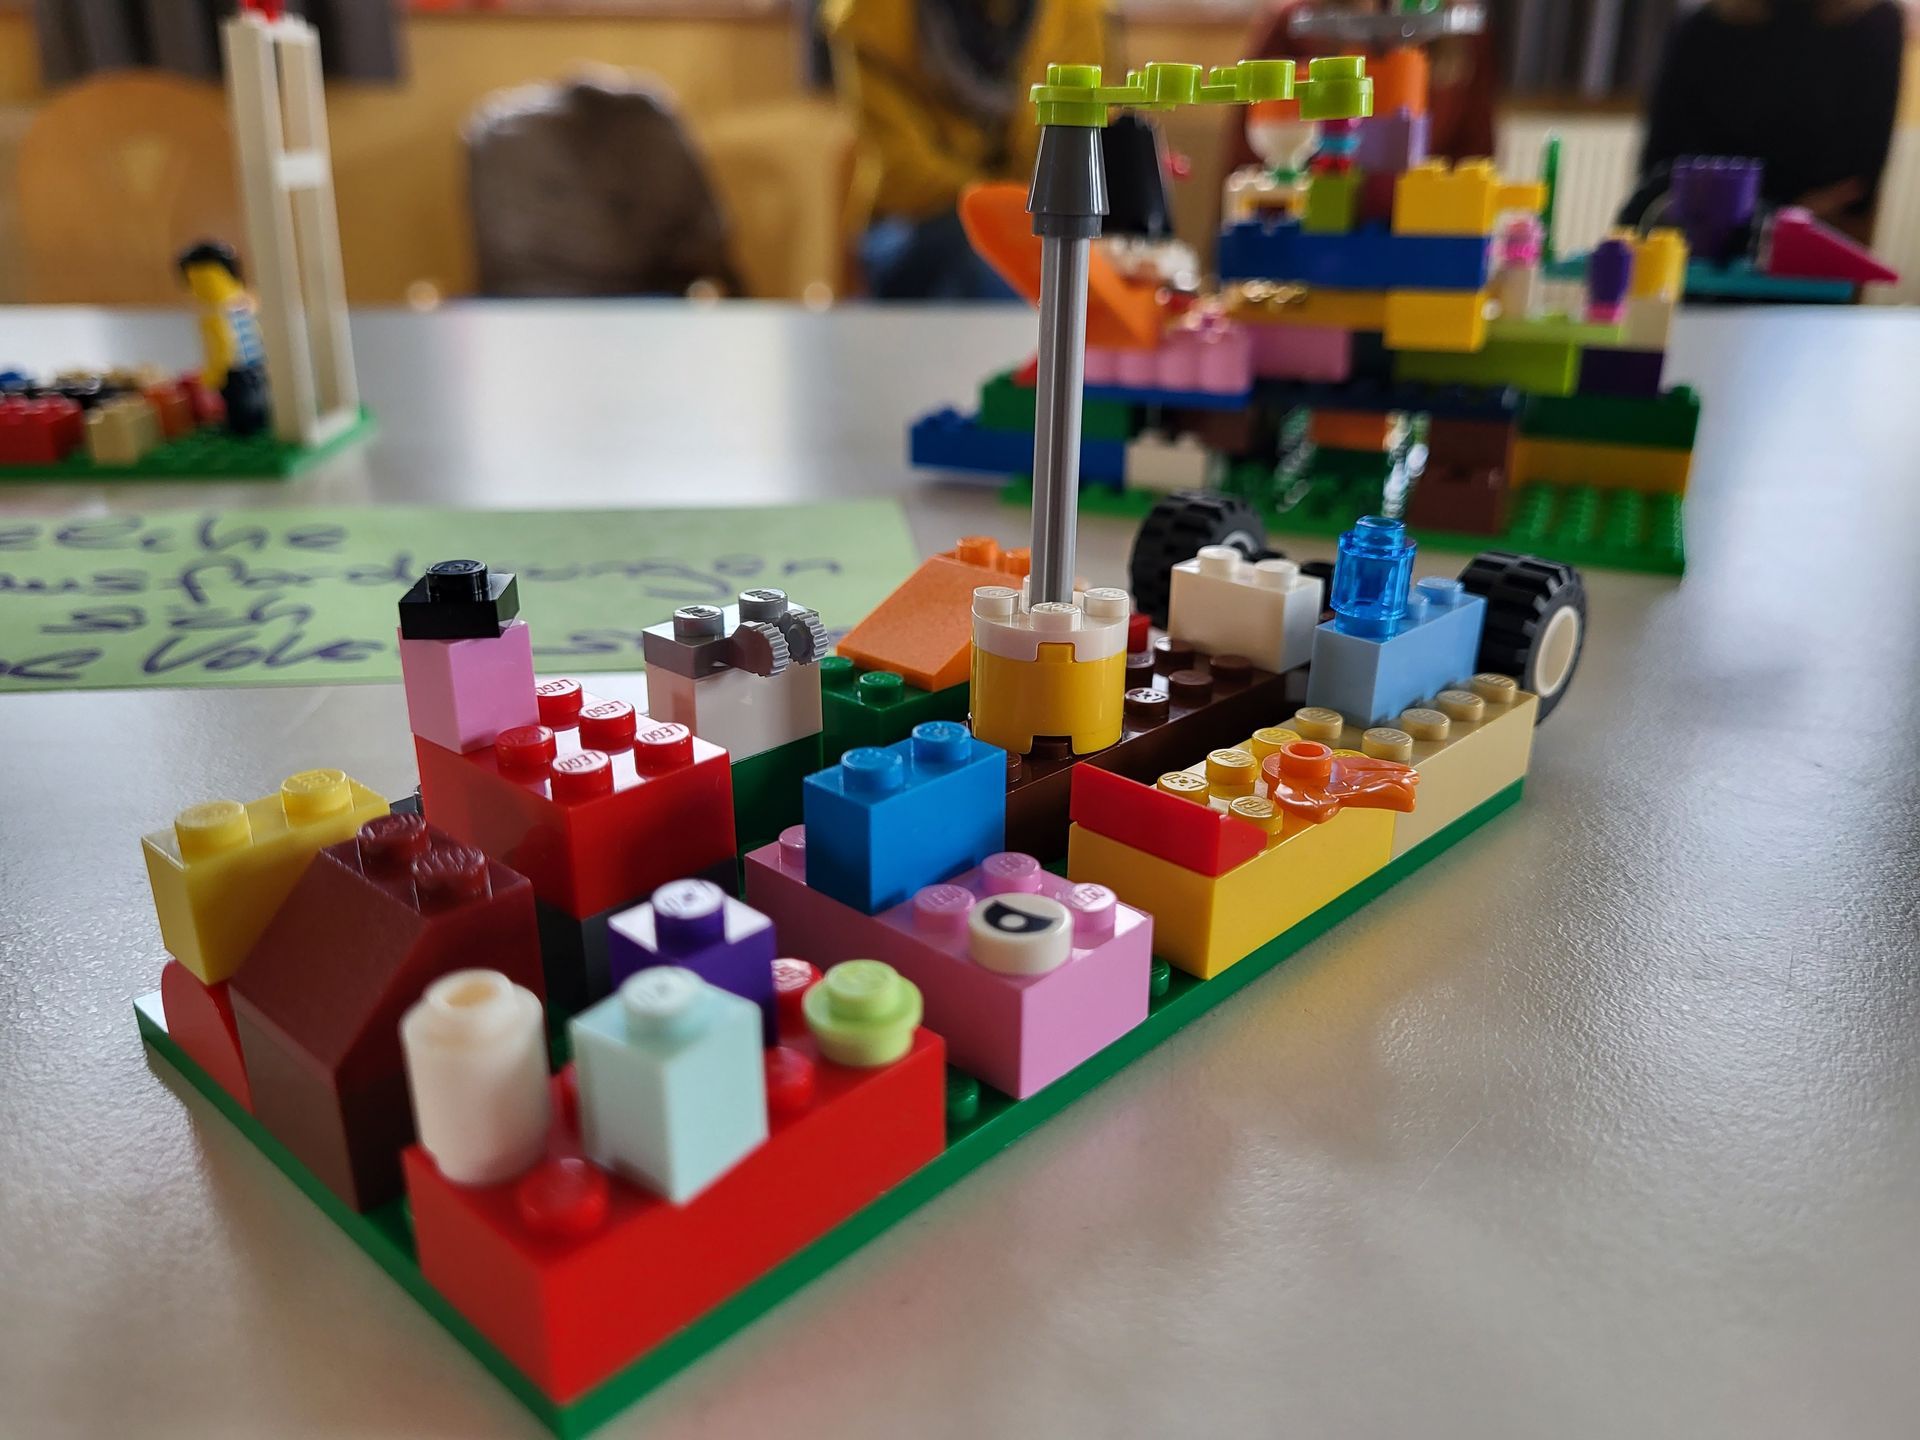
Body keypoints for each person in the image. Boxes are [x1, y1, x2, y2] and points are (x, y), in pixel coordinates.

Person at [822, 0, 1106, 300]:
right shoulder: (872, 13)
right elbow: (903, 172)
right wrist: (1001, 208)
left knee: (1056, 265)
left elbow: (1069, 163)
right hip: (914, 221)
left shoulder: (1075, 11)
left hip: (1026, 224)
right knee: (992, 265)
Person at [1641, 0, 1905, 243]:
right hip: (1704, 227)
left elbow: (1861, 168)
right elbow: (1661, 159)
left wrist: (1784, 221)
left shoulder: (1875, 24)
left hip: (1816, 230)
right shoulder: (1699, 27)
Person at [1223, 0, 1498, 178]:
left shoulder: (1464, 38)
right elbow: (1247, 169)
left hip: (1424, 230)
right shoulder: (1290, 30)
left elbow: (1475, 158)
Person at [176, 240, 270, 437]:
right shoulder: (240, 299)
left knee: (238, 401)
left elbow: (222, 343)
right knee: (255, 395)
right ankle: (255, 422)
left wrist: (215, 371)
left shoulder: (216, 310)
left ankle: (242, 429)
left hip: (234, 366)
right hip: (254, 361)